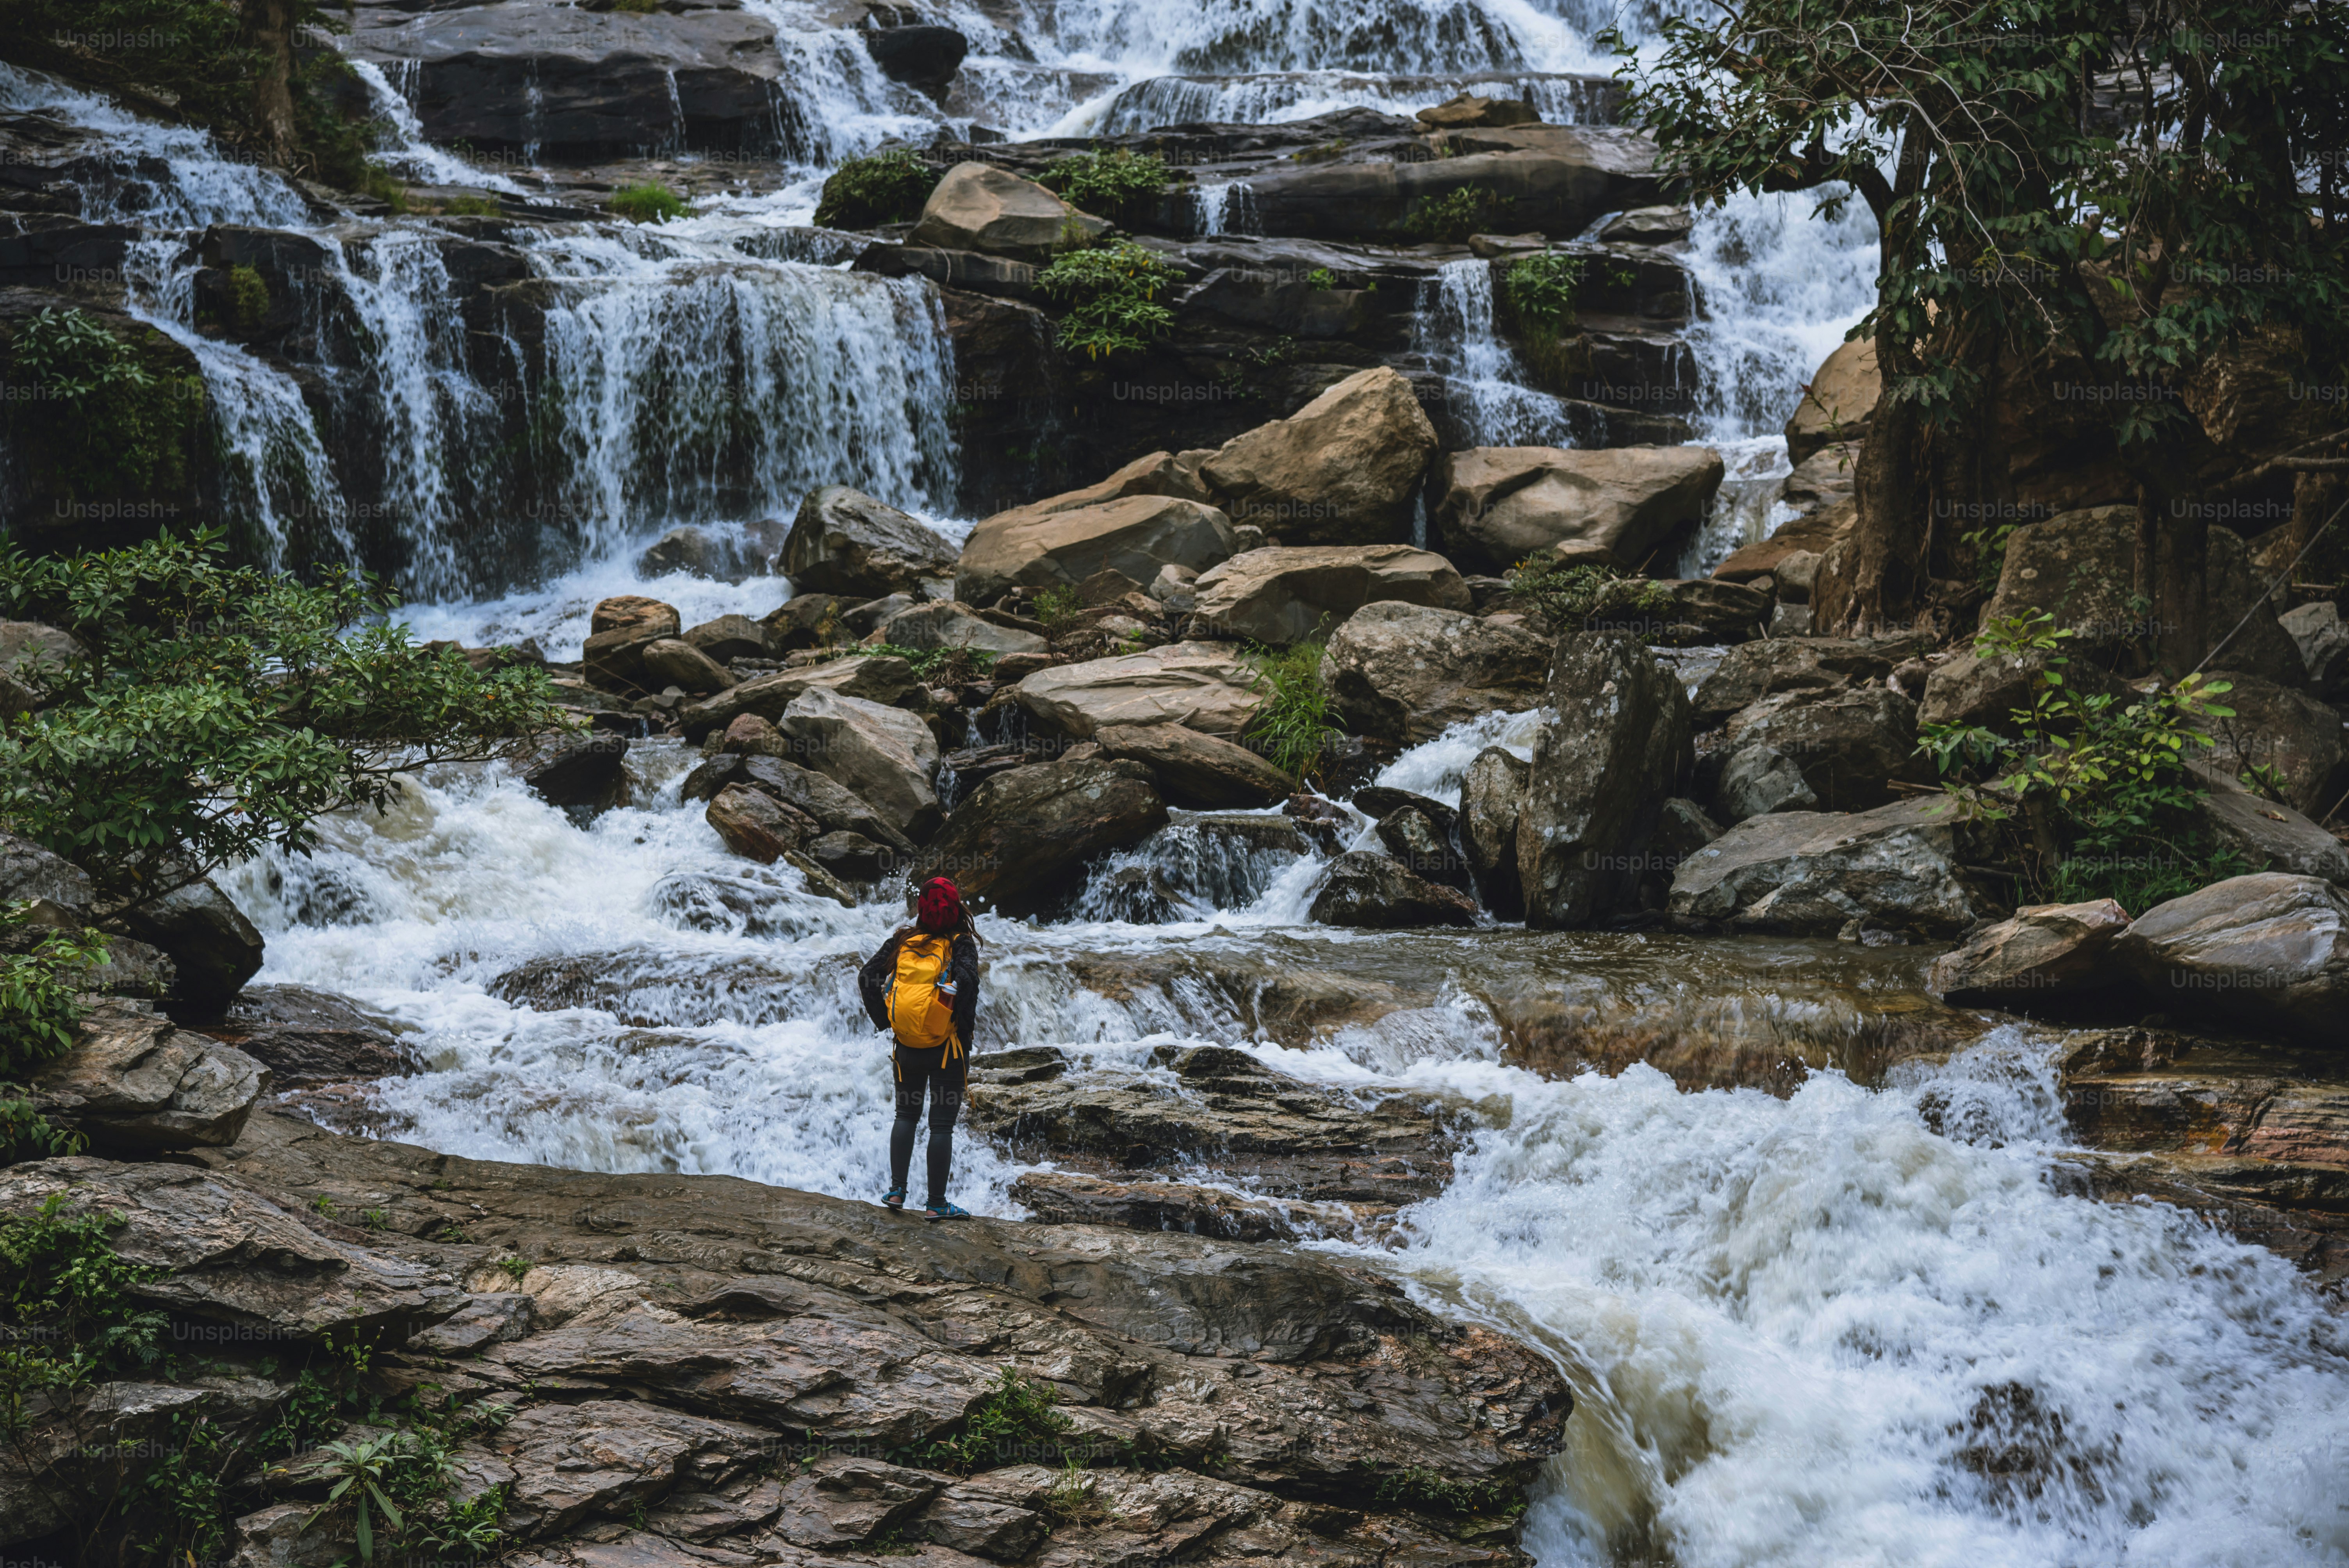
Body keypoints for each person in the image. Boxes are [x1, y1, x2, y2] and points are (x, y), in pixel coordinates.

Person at [858, 876, 980, 1219]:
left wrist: (886, 1022)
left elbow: (868, 976)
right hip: (947, 1051)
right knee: (941, 1126)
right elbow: (968, 984)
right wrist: (964, 1035)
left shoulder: (903, 940)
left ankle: (897, 1192)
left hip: (906, 1047)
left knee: (906, 1116)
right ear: (956, 909)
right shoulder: (961, 943)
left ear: (921, 909)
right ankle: (937, 1205)